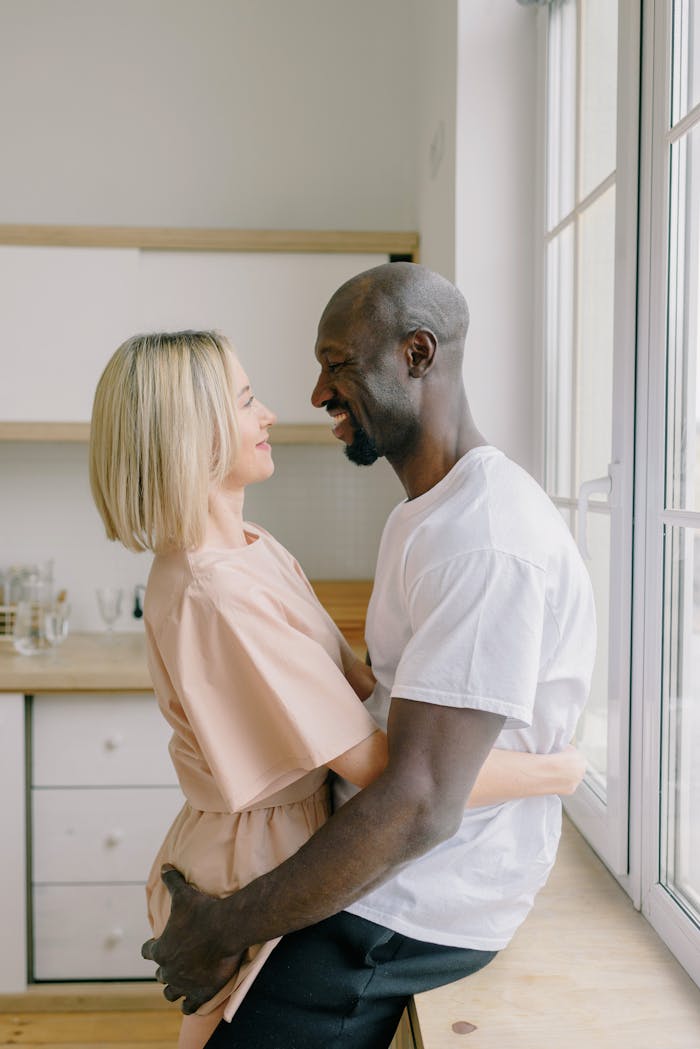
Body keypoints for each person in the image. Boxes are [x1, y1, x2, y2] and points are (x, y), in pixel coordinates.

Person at [89, 328, 585, 1049]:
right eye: (247, 399)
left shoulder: (254, 550)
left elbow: (353, 680)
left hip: (290, 840)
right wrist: (555, 771)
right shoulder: (216, 588)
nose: (271, 415)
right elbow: (385, 770)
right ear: (192, 433)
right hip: (252, 862)